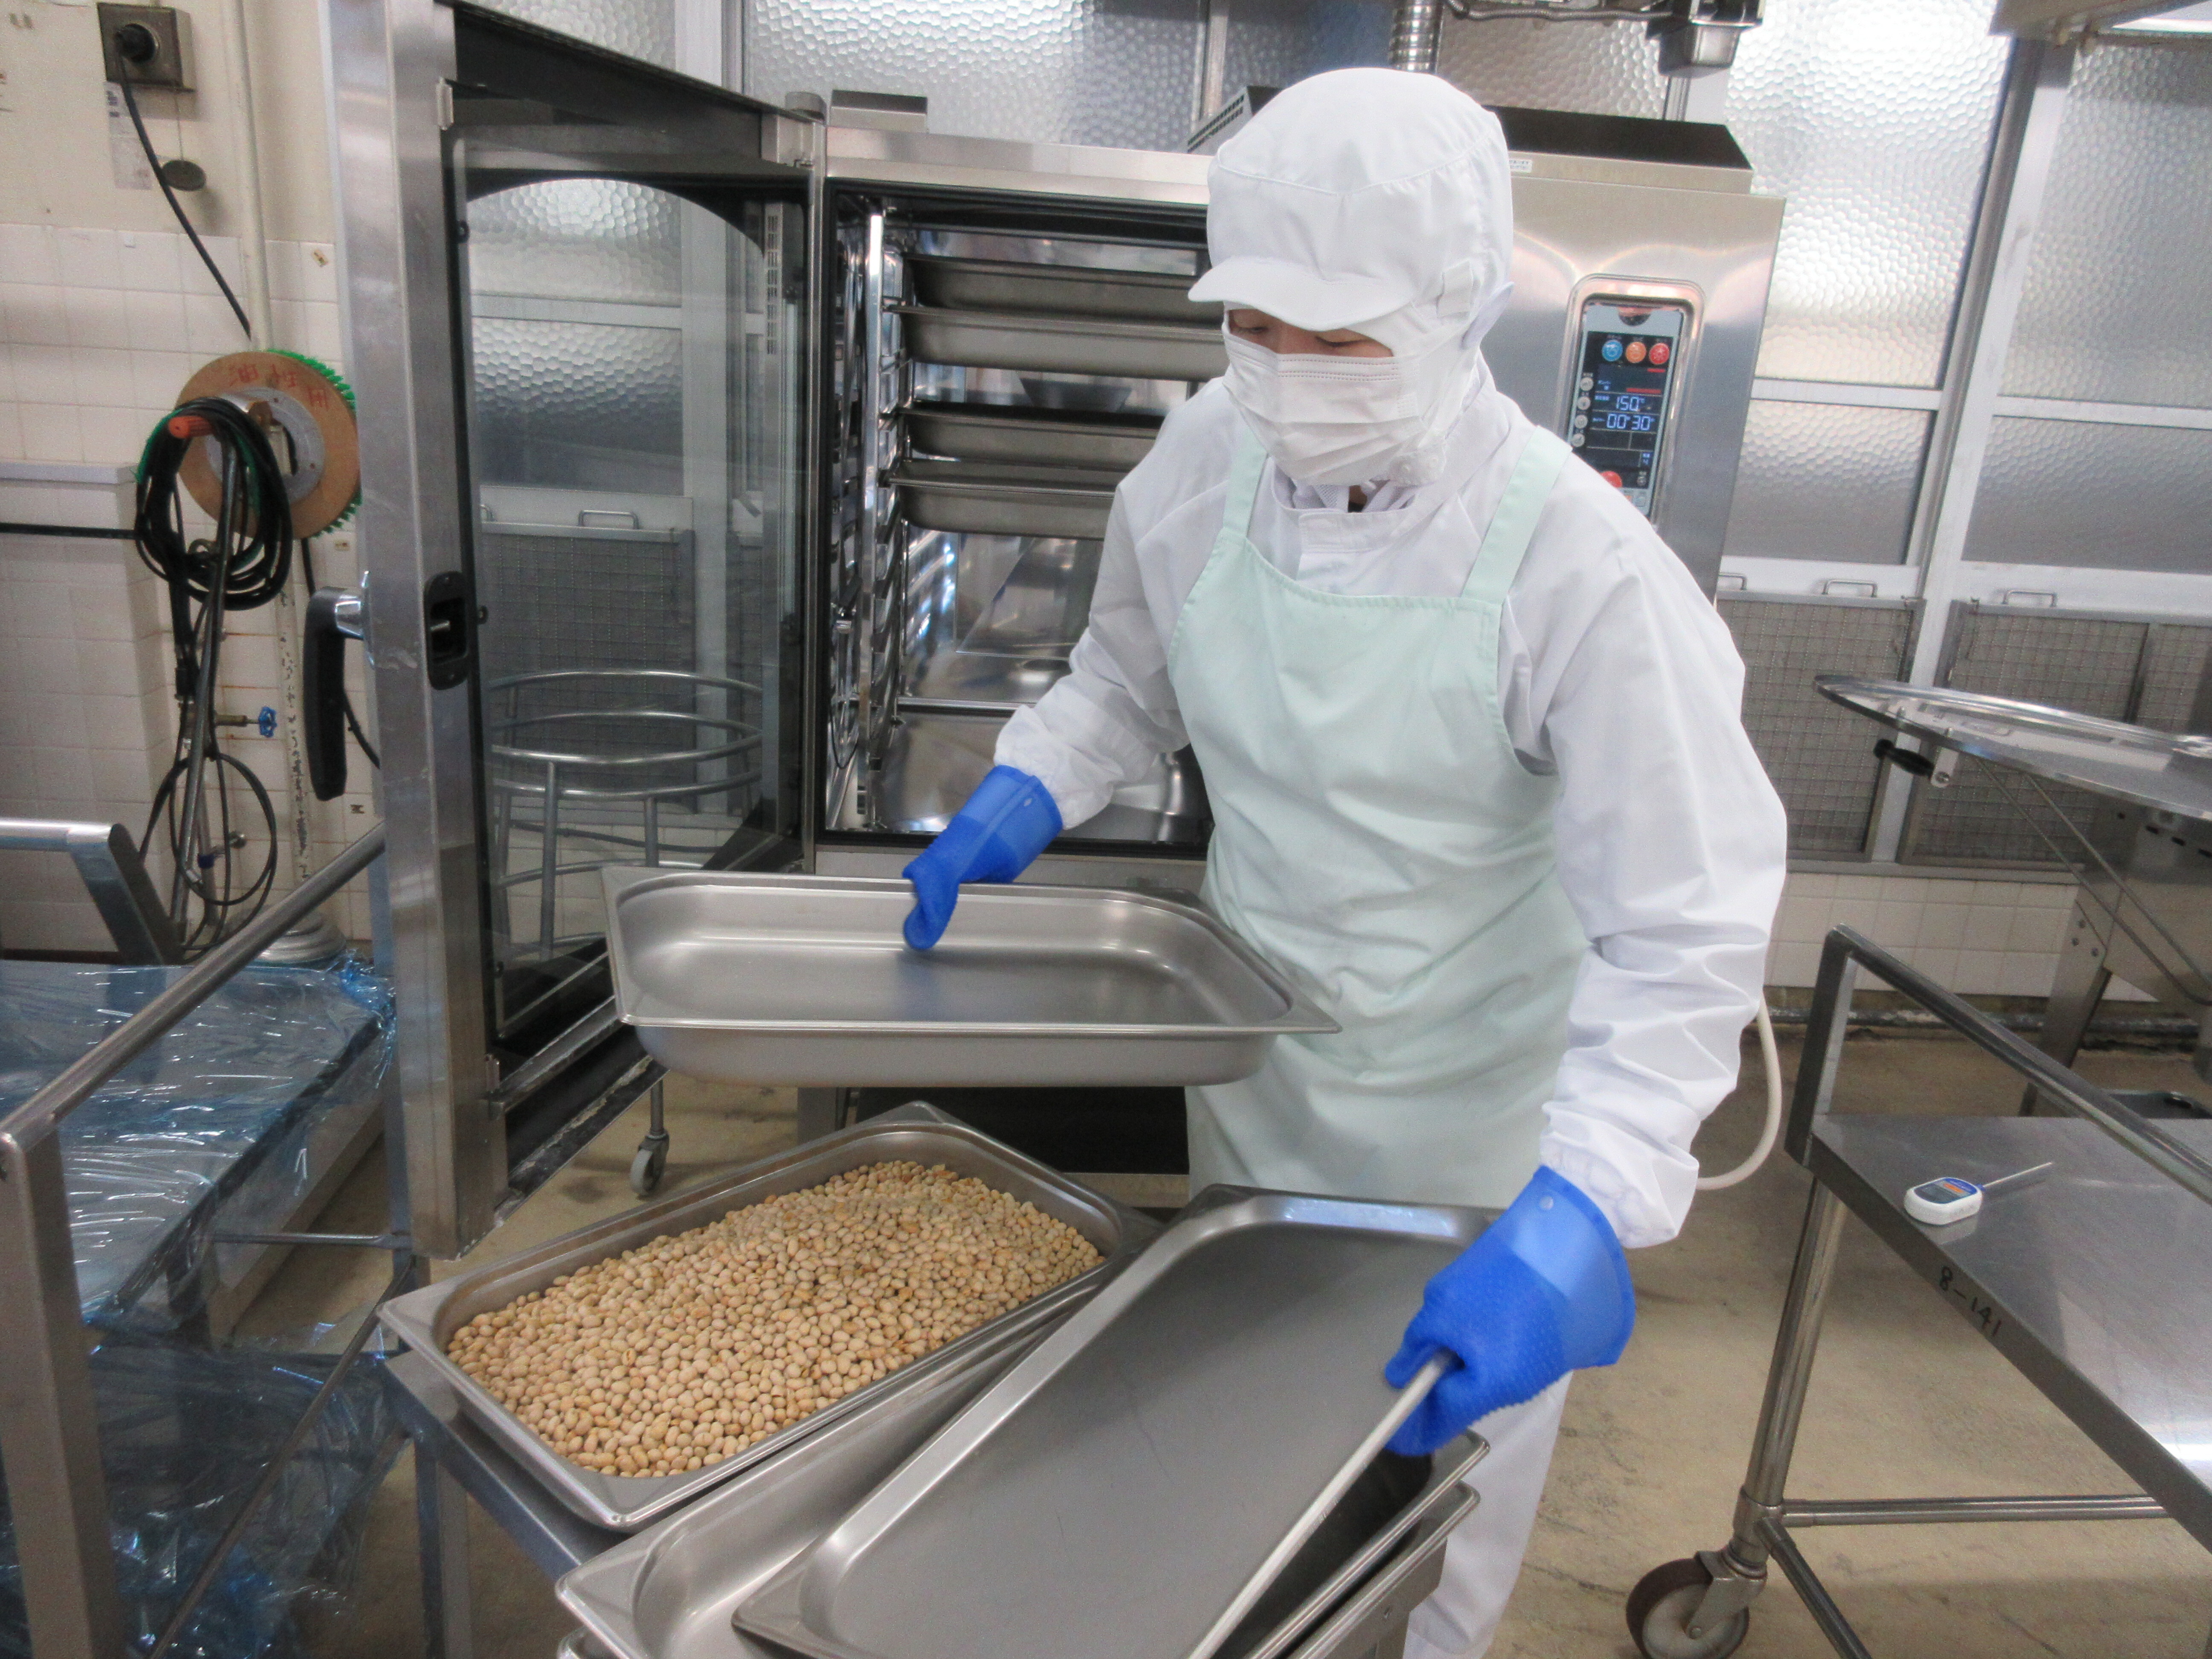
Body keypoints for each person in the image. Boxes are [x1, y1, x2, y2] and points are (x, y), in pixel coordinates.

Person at [900, 67, 1786, 1659]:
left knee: (1424, 1546)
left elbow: (1685, 931)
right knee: (1234, 1485)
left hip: (1478, 1151)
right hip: (1263, 1087)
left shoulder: (1581, 570)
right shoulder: (1205, 461)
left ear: (1457, 308)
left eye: (1342, 336)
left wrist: (1586, 1207)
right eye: (1256, 326)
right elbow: (1123, 679)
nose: (1288, 373)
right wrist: (1026, 786)